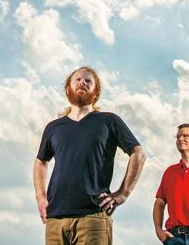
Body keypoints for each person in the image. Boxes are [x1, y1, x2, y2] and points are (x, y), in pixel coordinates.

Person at [33, 66, 146, 245]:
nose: (82, 83)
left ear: (96, 92)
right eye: (77, 79)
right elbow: (41, 162)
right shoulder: (54, 127)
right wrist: (41, 197)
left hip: (93, 217)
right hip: (55, 218)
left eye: (88, 81)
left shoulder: (109, 121)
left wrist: (123, 193)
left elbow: (138, 153)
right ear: (68, 88)